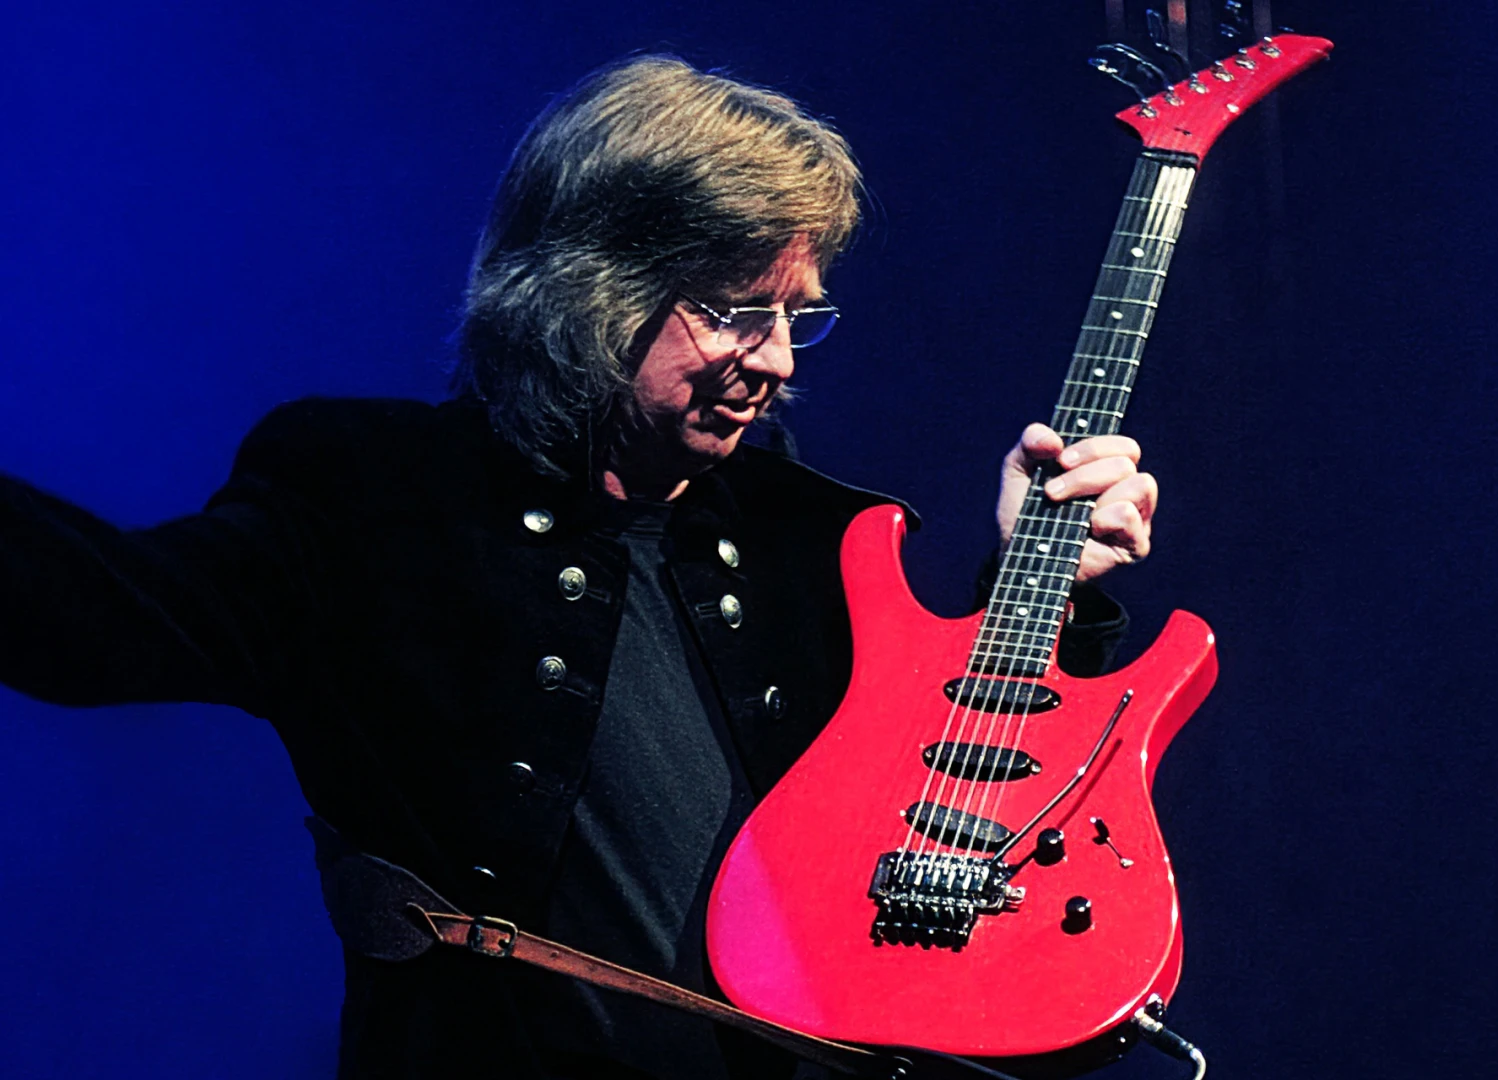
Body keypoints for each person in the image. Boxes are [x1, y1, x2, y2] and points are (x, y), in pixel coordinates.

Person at [0, 56, 1157, 1079]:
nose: (776, 361)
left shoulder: (816, 536)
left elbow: (960, 824)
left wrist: (1041, 587)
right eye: (734, 311)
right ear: (590, 288)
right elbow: (98, 618)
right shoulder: (370, 498)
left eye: (794, 316)